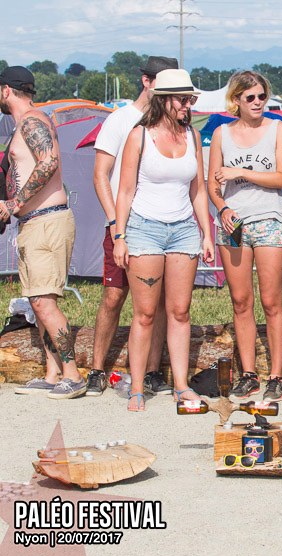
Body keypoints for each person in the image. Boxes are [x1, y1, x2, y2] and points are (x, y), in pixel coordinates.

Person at [112, 69, 215, 411]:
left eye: (191, 99)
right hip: (144, 228)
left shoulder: (192, 136)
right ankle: (137, 387)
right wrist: (120, 236)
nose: (188, 105)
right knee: (144, 313)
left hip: (183, 229)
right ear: (164, 100)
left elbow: (198, 190)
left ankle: (181, 385)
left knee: (180, 312)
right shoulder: (139, 136)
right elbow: (125, 190)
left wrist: (207, 233)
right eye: (183, 99)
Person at [89, 56, 177, 397]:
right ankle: (97, 369)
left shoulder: (173, 122)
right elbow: (100, 175)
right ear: (147, 81)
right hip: (123, 224)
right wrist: (115, 223)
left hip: (158, 224)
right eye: (163, 83)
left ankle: (153, 371)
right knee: (113, 296)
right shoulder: (121, 119)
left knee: (159, 302)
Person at [207, 71, 282, 402]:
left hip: (270, 219)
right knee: (241, 301)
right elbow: (212, 183)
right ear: (236, 100)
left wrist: (241, 172)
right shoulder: (221, 133)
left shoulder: (278, 128)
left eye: (262, 96)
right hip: (234, 224)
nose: (258, 102)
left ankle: (277, 376)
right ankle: (249, 374)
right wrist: (222, 208)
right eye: (250, 97)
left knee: (271, 301)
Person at [1, 67, 84, 399]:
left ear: (6, 90)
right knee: (37, 302)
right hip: (34, 222)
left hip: (46, 220)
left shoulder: (32, 121)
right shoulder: (27, 122)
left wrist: (15, 202)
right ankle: (53, 374)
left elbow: (48, 161)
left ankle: (73, 376)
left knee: (43, 301)